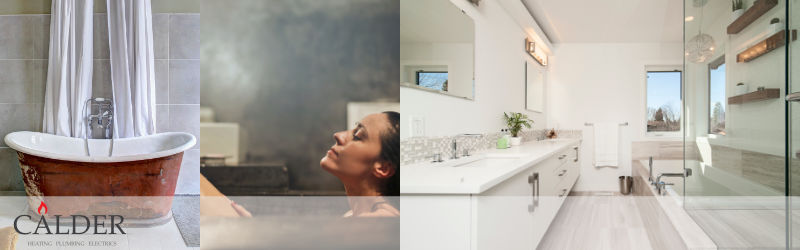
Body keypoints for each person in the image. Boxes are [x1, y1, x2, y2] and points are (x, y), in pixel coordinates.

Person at [320, 111, 400, 217]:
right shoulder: (353, 216)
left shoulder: (380, 220)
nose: (338, 135)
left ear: (383, 168)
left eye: (357, 136)